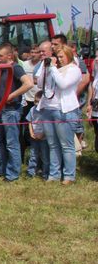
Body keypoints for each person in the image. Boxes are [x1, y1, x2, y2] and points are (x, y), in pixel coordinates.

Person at [36, 45, 82, 184]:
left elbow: (63, 84)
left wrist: (53, 68)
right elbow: (39, 84)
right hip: (48, 109)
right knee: (53, 144)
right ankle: (54, 175)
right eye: (58, 57)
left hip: (64, 111)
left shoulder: (74, 70)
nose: (59, 59)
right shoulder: (51, 68)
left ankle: (69, 176)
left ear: (69, 56)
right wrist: (45, 68)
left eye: (62, 57)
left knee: (66, 145)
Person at [0, 43, 34, 182]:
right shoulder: (2, 68)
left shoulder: (15, 68)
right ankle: (3, 168)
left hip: (11, 110)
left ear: (9, 56)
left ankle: (12, 174)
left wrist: (11, 96)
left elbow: (28, 83)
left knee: (11, 143)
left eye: (0, 55)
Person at [25, 91, 48, 180]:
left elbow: (47, 125)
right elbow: (30, 122)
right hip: (34, 137)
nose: (36, 104)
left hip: (44, 138)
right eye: (35, 101)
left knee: (45, 156)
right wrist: (31, 133)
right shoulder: (32, 109)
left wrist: (42, 135)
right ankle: (31, 172)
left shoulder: (46, 112)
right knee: (33, 155)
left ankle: (45, 173)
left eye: (39, 102)